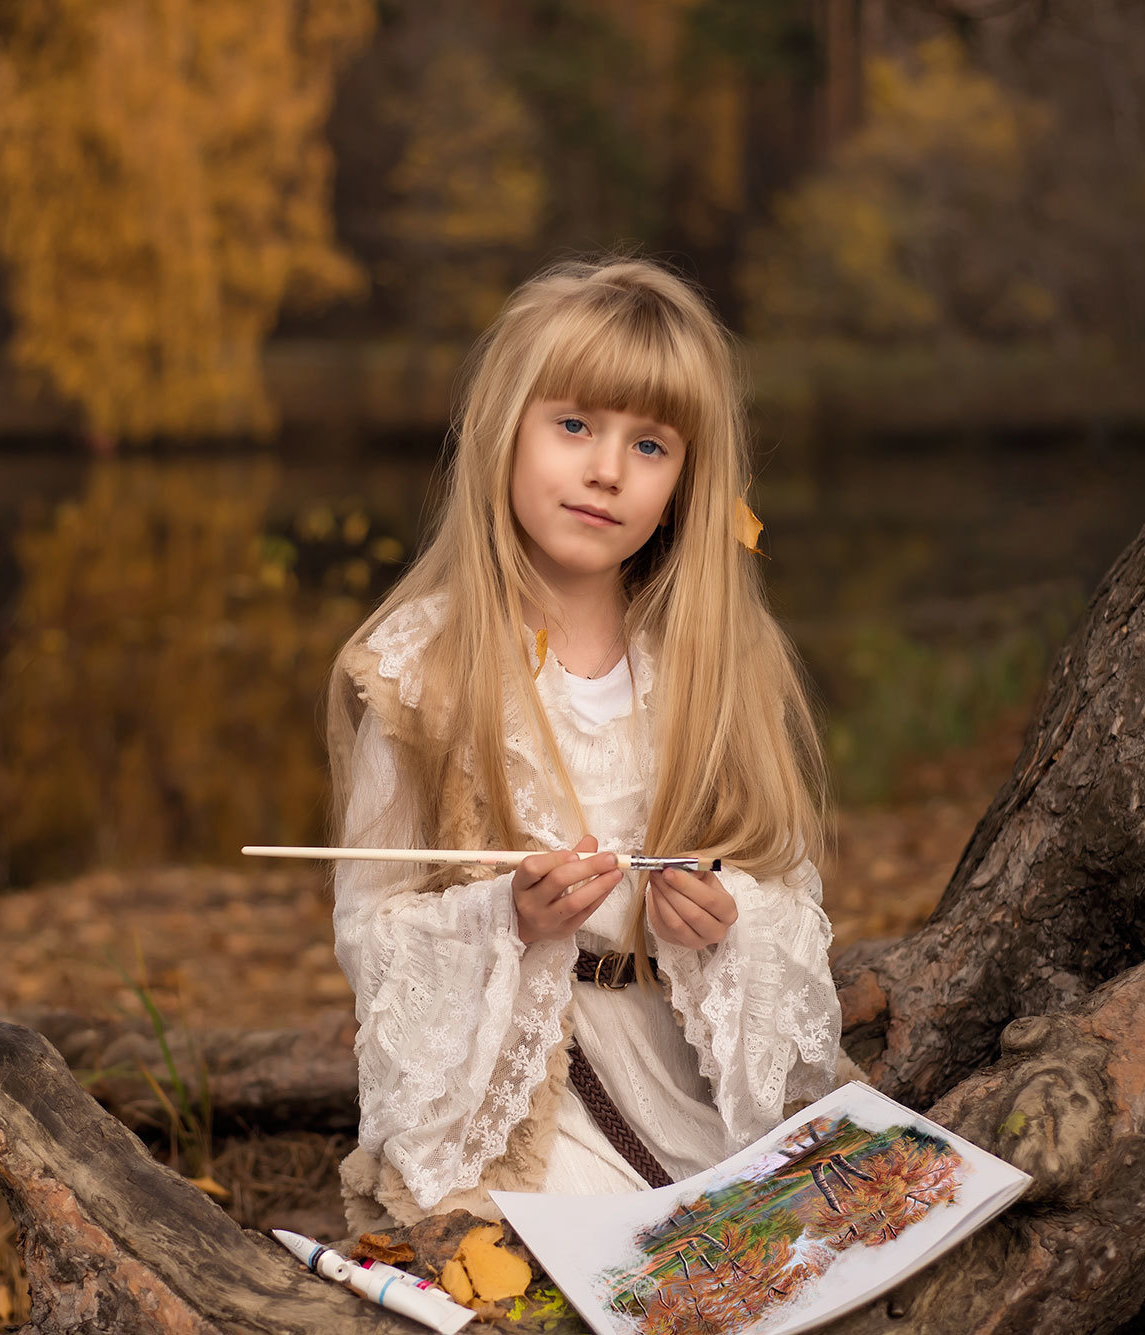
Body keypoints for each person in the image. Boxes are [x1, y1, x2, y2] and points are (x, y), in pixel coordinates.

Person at [326, 255, 846, 1232]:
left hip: (692, 1075)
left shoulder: (715, 665)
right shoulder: (420, 674)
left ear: (686, 482)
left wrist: (724, 921)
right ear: (503, 434)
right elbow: (372, 932)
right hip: (526, 1102)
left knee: (811, 1245)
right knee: (565, 1263)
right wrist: (505, 921)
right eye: (573, 426)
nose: (606, 470)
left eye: (648, 445)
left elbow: (790, 891)